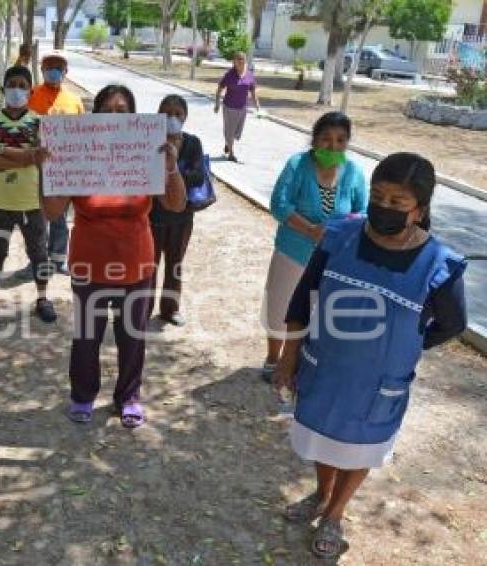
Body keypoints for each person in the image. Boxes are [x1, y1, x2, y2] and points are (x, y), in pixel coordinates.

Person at [274, 153, 467, 560]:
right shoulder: (339, 235)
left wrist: (409, 345)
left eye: (398, 203)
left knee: (358, 449)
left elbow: (451, 324)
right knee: (320, 441)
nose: (384, 208)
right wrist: (288, 359)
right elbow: (301, 302)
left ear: (420, 210)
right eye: (378, 197)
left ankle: (335, 516)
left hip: (379, 386)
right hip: (322, 368)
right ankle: (321, 493)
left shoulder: (438, 264)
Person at [42, 85, 186, 428]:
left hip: (136, 261)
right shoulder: (78, 156)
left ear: (134, 118)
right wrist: (47, 171)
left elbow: (176, 204)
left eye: (123, 111)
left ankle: (128, 397)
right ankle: (82, 394)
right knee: (87, 336)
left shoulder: (146, 153)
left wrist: (170, 166)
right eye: (107, 110)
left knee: (132, 335)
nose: (115, 116)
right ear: (95, 118)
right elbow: (51, 212)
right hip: (89, 262)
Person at [263, 112, 368, 380]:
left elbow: (363, 211)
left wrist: (337, 230)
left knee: (316, 311)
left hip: (331, 258)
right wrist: (310, 229)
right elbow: (280, 204)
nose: (333, 146)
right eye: (326, 139)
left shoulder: (354, 172)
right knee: (280, 304)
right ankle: (274, 358)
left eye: (341, 141)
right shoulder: (297, 165)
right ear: (314, 140)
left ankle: (298, 360)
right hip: (293, 251)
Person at [0, 65, 57, 324]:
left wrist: (7, 153)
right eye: (12, 85)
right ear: (2, 90)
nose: (16, 90)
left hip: (32, 202)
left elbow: (45, 160)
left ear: (30, 92)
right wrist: (29, 157)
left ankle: (43, 298)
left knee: (39, 253)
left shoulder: (41, 124)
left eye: (22, 86)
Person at [16, 51, 85, 279]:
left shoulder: (75, 101)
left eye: (58, 67)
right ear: (42, 69)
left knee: (60, 217)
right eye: (49, 66)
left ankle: (58, 259)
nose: (53, 70)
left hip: (63, 168)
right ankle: (36, 260)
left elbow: (83, 133)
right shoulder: (30, 94)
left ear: (66, 72)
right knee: (36, 217)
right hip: (34, 166)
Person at [147, 94, 205, 327]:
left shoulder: (192, 143)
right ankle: (143, 309)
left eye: (177, 114)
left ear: (185, 117)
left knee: (175, 264)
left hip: (182, 218)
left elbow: (199, 175)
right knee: (149, 266)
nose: (172, 118)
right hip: (152, 217)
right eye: (166, 113)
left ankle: (170, 309)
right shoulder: (149, 141)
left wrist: (175, 174)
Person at [214, 51, 260, 162]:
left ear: (245, 60)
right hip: (229, 107)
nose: (240, 61)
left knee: (237, 132)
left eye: (242, 59)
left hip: (242, 107)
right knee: (230, 130)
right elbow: (220, 88)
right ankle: (231, 153)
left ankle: (228, 143)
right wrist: (217, 103)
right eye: (237, 59)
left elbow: (253, 91)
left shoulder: (249, 75)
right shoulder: (230, 75)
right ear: (234, 62)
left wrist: (257, 104)